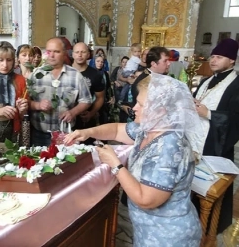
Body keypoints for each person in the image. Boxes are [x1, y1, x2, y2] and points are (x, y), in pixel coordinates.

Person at [64, 73, 203, 246]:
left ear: (161, 109)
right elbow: (116, 130)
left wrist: (116, 165)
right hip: (148, 231)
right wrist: (87, 133)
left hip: (168, 236)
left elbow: (147, 199)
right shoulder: (150, 128)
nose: (134, 108)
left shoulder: (170, 147)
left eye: (141, 104)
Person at [193, 38, 239, 233]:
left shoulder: (236, 85)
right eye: (212, 56)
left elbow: (236, 119)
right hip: (196, 140)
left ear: (232, 61)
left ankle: (210, 227)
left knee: (212, 189)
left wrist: (209, 114)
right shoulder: (206, 80)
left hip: (215, 144)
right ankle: (193, 218)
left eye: (219, 57)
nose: (213, 60)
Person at [28, 37, 92, 146]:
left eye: (56, 52)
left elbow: (86, 100)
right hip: (39, 135)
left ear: (64, 53)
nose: (52, 55)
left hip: (65, 134)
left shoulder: (75, 75)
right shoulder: (36, 75)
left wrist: (73, 112)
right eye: (49, 51)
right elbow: (26, 101)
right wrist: (38, 105)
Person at [72, 43, 105, 143]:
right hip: (67, 119)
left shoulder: (95, 74)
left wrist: (91, 113)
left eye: (83, 52)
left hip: (85, 120)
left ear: (88, 55)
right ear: (72, 54)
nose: (80, 55)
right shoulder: (66, 71)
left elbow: (100, 97)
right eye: (77, 52)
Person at [93, 55, 115, 124]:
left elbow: (108, 86)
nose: (100, 63)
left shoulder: (105, 74)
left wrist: (111, 97)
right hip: (93, 101)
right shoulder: (91, 73)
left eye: (102, 62)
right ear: (94, 62)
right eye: (98, 61)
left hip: (104, 100)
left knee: (104, 119)